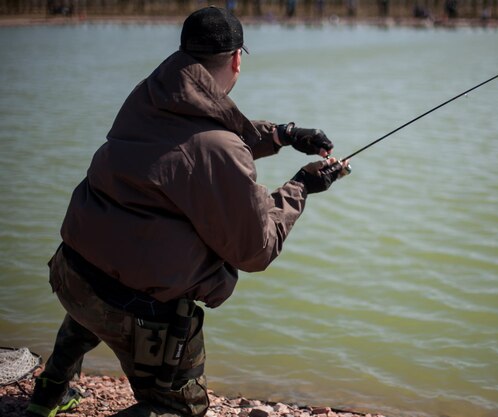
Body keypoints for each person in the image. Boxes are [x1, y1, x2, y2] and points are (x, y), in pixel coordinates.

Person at [27, 6, 348, 417]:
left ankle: (48, 393)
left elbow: (196, 144)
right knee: (182, 411)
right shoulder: (219, 148)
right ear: (236, 60)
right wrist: (302, 186)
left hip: (71, 274)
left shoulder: (148, 96)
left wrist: (282, 134)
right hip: (137, 309)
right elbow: (256, 250)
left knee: (95, 296)